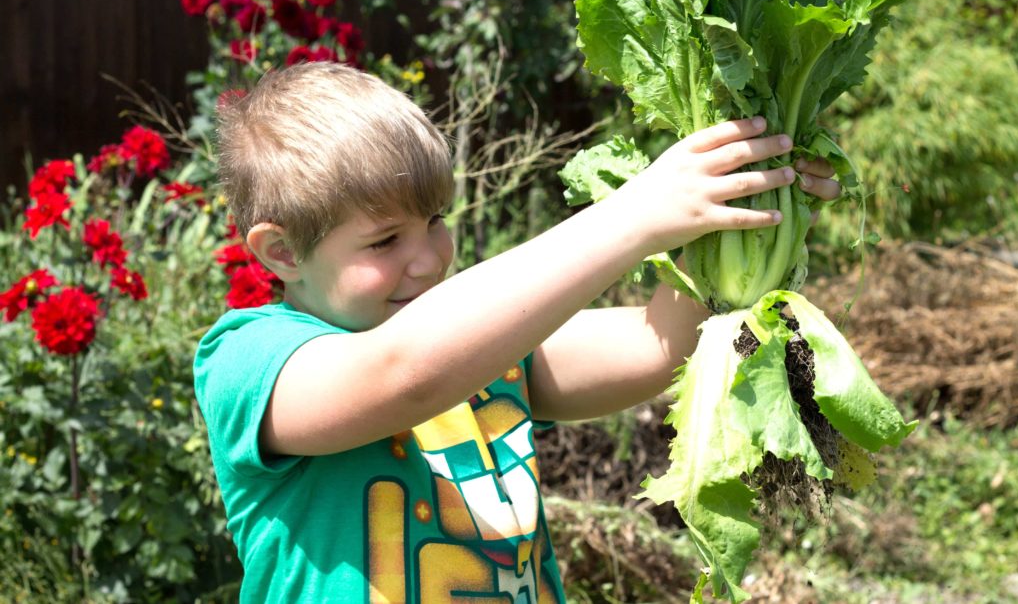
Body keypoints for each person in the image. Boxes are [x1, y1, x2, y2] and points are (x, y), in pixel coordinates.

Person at [193, 62, 840, 602]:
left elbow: (658, 344)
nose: (430, 258)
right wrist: (632, 217)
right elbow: (403, 374)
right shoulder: (251, 360)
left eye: (436, 222)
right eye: (386, 240)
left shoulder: (486, 352)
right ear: (281, 252)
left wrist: (751, 204)